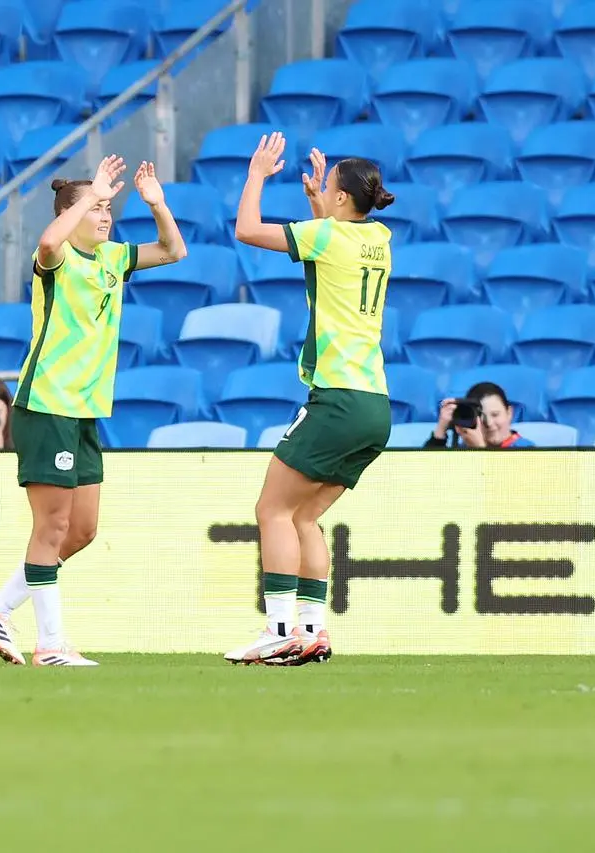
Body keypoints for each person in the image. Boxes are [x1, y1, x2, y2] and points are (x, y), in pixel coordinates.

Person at [0, 158, 188, 666]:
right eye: (97, 208)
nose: (106, 216)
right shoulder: (58, 256)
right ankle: (50, 643)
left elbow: (175, 250)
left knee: (82, 530)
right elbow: (46, 244)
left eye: (110, 207)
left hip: (85, 411)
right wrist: (88, 196)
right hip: (47, 404)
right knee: (52, 527)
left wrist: (157, 204)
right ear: (74, 212)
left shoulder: (114, 258)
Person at [224, 134, 395, 667]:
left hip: (338, 398)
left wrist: (256, 174)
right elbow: (335, 238)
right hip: (376, 406)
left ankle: (278, 632)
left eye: (330, 186)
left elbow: (248, 230)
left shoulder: (330, 236)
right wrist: (318, 200)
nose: (323, 190)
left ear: (342, 199)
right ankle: (314, 631)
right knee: (304, 520)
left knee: (272, 509)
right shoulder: (381, 237)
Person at [426, 382, 535, 449]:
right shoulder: (464, 448)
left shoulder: (526, 450)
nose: (489, 423)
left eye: (495, 414)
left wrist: (480, 449)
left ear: (509, 413)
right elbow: (428, 475)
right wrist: (440, 431)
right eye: (481, 416)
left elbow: (505, 485)